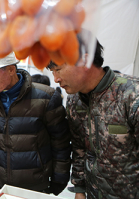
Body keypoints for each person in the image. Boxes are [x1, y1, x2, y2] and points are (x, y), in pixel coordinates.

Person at [0, 53, 71, 195]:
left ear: (11, 70)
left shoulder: (45, 98)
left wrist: (59, 180)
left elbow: (60, 142)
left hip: (34, 186)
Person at [47, 31, 139, 198]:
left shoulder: (131, 95)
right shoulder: (75, 100)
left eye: (58, 69)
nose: (56, 79)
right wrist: (79, 189)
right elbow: (79, 148)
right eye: (53, 72)